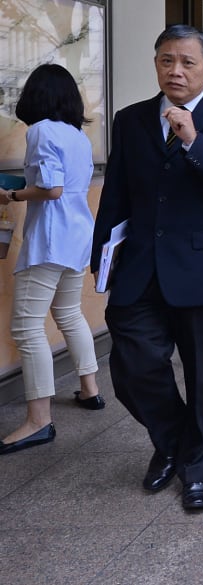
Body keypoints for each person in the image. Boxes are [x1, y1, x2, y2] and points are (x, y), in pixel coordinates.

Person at [91, 25, 203, 510]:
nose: (176, 70)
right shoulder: (131, 119)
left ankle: (198, 468)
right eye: (167, 60)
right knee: (132, 367)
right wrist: (102, 254)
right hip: (140, 266)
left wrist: (193, 142)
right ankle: (172, 441)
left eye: (187, 62)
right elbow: (117, 192)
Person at [0, 64, 105, 456]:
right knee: (69, 313)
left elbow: (51, 188)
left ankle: (38, 421)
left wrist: (10, 197)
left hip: (50, 240)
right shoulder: (77, 135)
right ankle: (90, 389)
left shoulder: (41, 130)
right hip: (77, 237)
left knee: (27, 329)